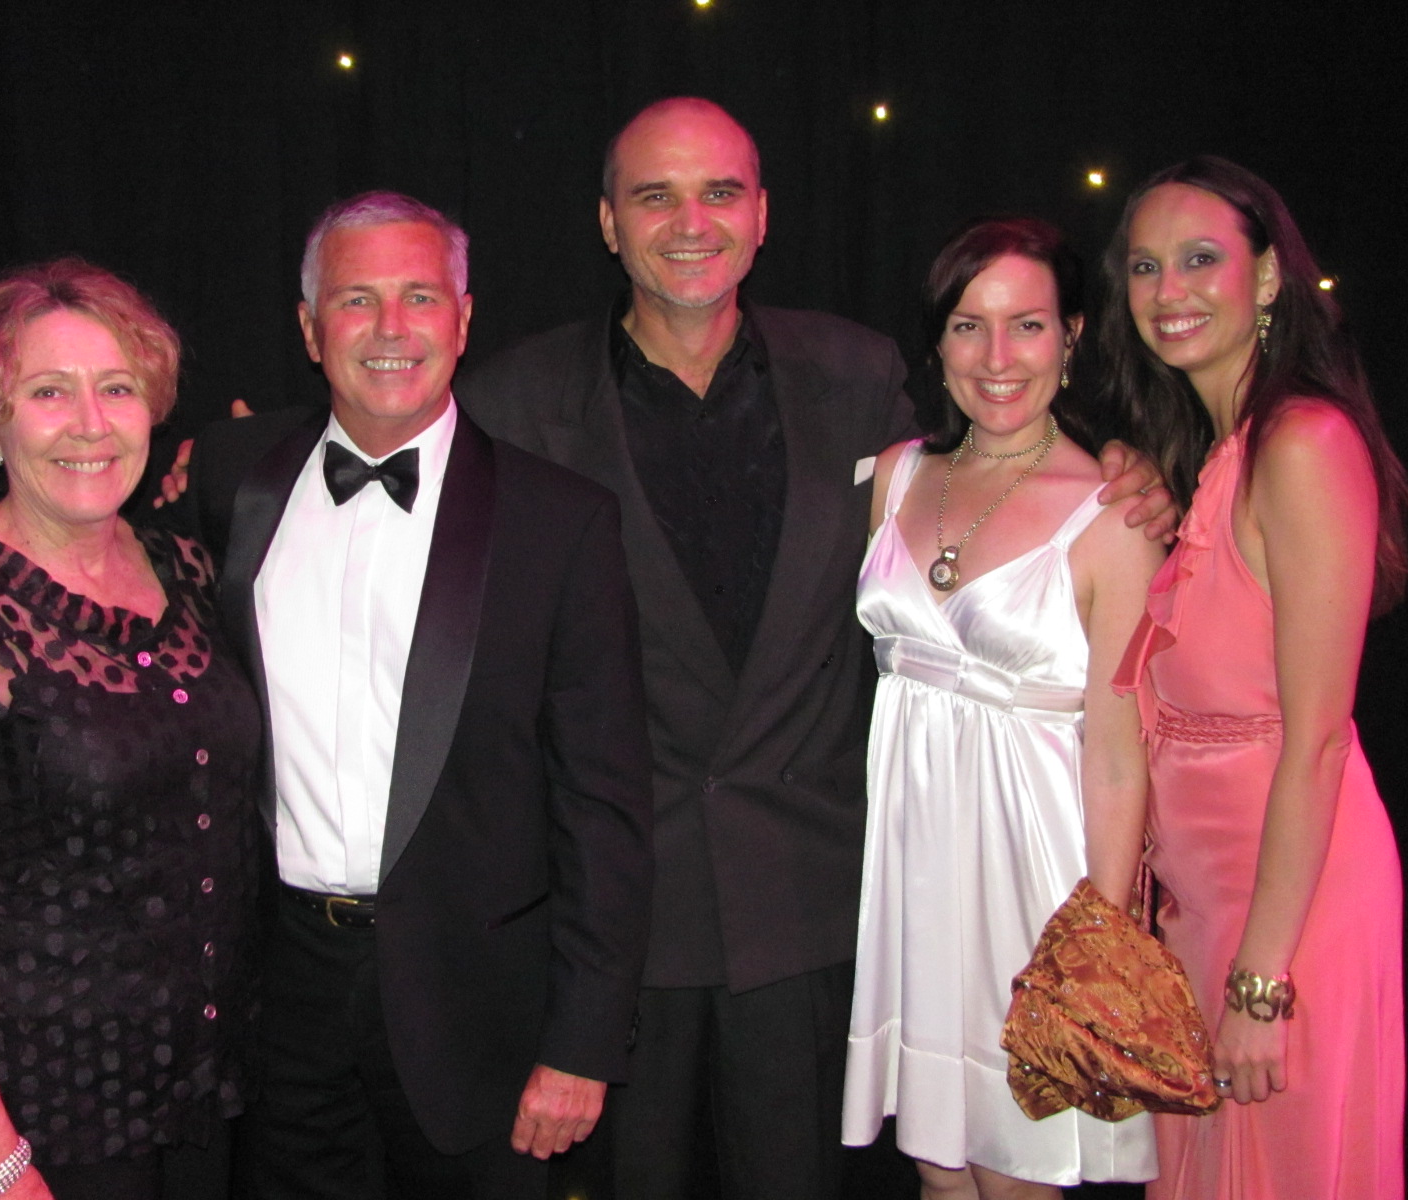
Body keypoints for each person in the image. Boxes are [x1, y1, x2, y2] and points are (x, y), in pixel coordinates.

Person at [0, 192, 655, 1200]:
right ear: (308, 328)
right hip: (268, 1010)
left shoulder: (562, 522)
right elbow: (66, 513)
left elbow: (608, 808)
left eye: (420, 296)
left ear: (463, 318)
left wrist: (584, 1041)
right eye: (355, 299)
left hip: (477, 1013)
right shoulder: (236, 476)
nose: (389, 328)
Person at [456, 96, 1175, 1199]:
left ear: (761, 216)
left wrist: (1122, 461)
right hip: (621, 921)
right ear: (608, 223)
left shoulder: (853, 376)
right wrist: (227, 467)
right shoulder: (513, 401)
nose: (690, 220)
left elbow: (997, 453)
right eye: (655, 194)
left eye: (720, 192)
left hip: (822, 905)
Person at [0, 259, 264, 1200]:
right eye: (48, 392)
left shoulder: (185, 565)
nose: (89, 422)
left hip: (205, 1099)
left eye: (116, 388)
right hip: (43, 1127)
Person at [1105, 157, 1408, 1199]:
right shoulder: (1216, 453)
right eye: (1144, 267)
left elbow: (1316, 738)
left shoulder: (1306, 445)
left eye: (1200, 260)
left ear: (1268, 276)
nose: (1168, 291)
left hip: (1292, 912)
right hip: (1203, 905)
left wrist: (1263, 981)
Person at [840, 218, 1160, 1198]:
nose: (996, 357)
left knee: (1018, 1176)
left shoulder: (1113, 513)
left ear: (1070, 339)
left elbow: (1116, 757)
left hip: (1037, 888)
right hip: (914, 879)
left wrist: (1095, 949)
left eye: (1026, 326)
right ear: (935, 345)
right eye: (968, 327)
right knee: (941, 1176)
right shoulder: (894, 477)